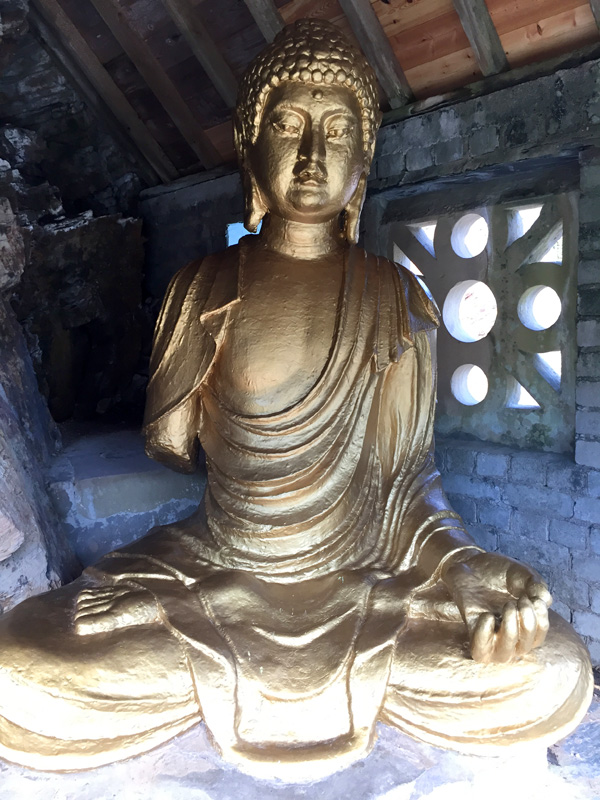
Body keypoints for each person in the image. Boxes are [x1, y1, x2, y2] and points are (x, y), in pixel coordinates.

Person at [0, 20, 591, 781]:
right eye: (287, 124)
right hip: (214, 564)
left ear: (363, 157)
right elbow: (173, 440)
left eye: (338, 130)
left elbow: (408, 482)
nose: (312, 155)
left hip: (365, 581)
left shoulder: (397, 298)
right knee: (22, 659)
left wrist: (459, 564)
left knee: (559, 667)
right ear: (251, 144)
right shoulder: (200, 289)